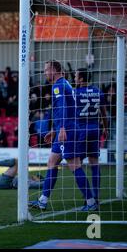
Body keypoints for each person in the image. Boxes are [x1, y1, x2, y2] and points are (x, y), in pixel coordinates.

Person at [29, 60, 97, 211]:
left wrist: (62, 128)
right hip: (65, 128)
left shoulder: (59, 85)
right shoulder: (65, 83)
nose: (45, 72)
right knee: (52, 162)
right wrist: (55, 129)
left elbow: (64, 107)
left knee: (74, 165)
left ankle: (91, 202)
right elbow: (63, 109)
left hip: (68, 130)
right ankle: (43, 201)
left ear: (54, 70)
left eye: (47, 70)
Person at [74, 68, 109, 205]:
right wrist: (105, 127)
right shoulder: (98, 91)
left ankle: (87, 197)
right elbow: (104, 113)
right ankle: (95, 195)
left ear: (82, 79)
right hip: (95, 129)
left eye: (76, 76)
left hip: (81, 130)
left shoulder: (75, 93)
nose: (75, 78)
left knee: (76, 163)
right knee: (95, 163)